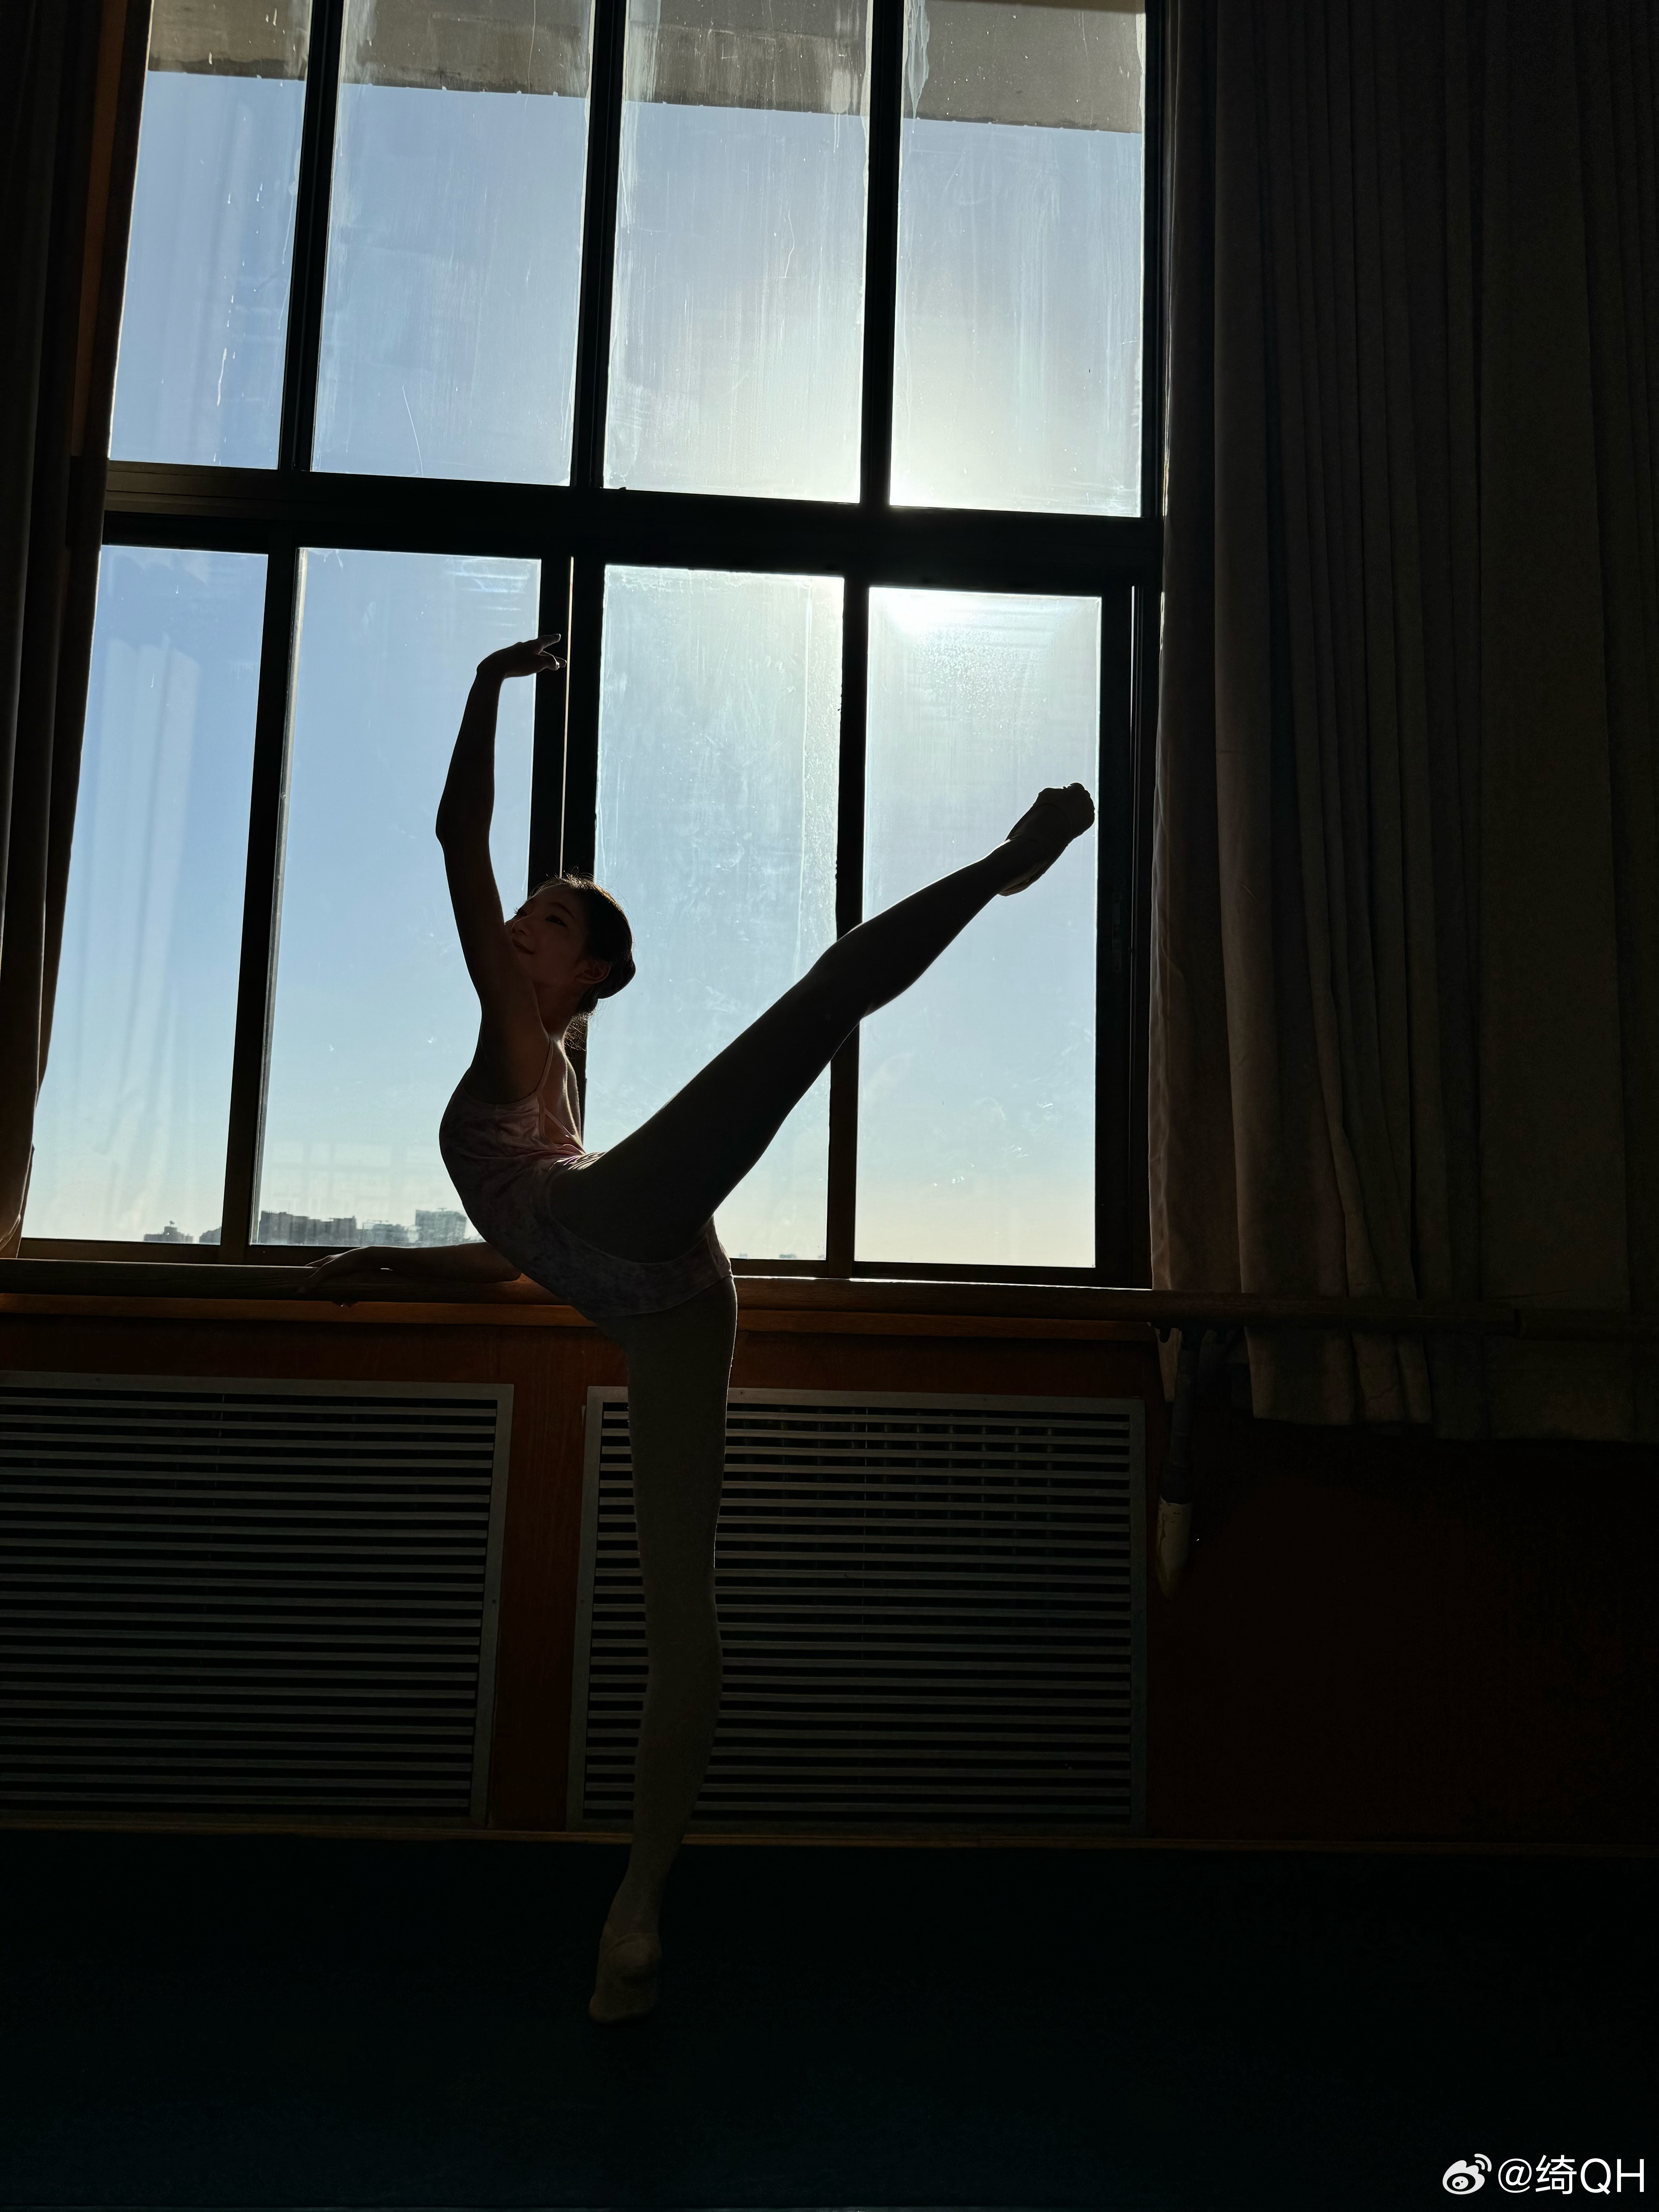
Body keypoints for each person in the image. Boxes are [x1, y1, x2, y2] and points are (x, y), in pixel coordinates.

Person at [304, 634, 1095, 2024]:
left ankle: (1000, 870)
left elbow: (453, 837)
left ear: (592, 977)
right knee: (682, 1612)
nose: (522, 925)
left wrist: (486, 686)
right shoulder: (543, 1080)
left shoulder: (517, 1035)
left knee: (818, 1003)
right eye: (531, 911)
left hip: (634, 1241)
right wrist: (395, 1266)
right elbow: (530, 1256)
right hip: (668, 1300)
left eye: (551, 921)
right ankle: (635, 1922)